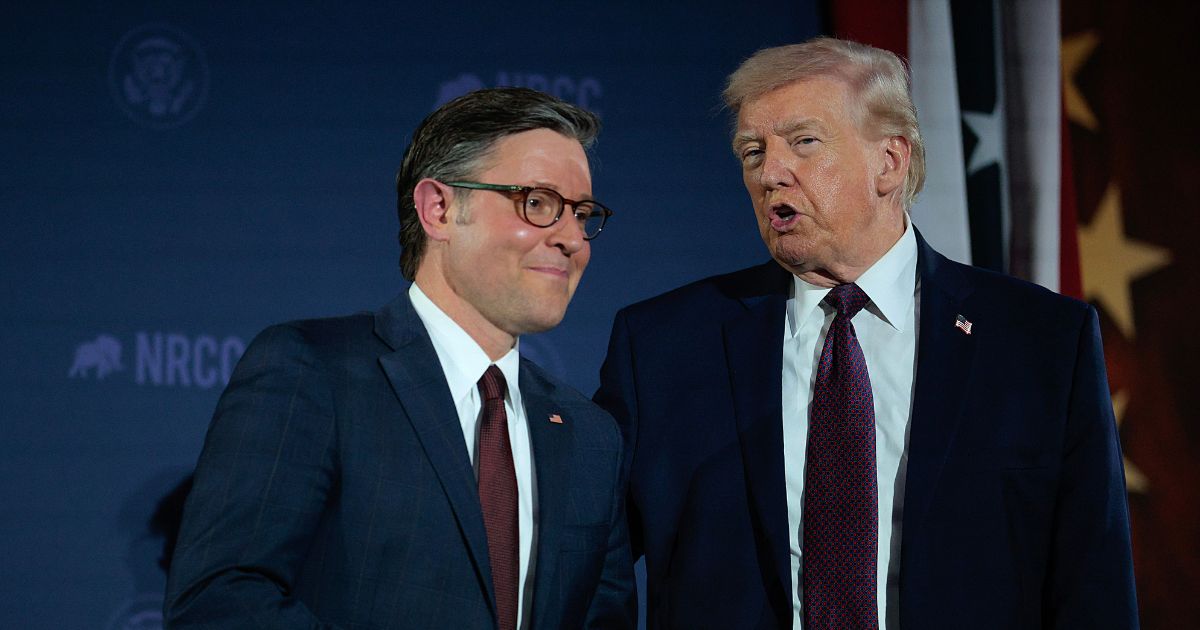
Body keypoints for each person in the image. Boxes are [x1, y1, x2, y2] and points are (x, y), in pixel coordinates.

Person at [595, 38, 1137, 629]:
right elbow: (591, 563)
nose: (771, 173)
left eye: (803, 141)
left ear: (890, 160)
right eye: (752, 152)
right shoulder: (665, 348)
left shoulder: (1040, 343)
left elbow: (1094, 582)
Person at [165, 87, 635, 629]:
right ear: (438, 208)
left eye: (582, 213)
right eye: (538, 203)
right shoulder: (313, 372)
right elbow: (220, 600)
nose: (573, 238)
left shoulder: (590, 436)